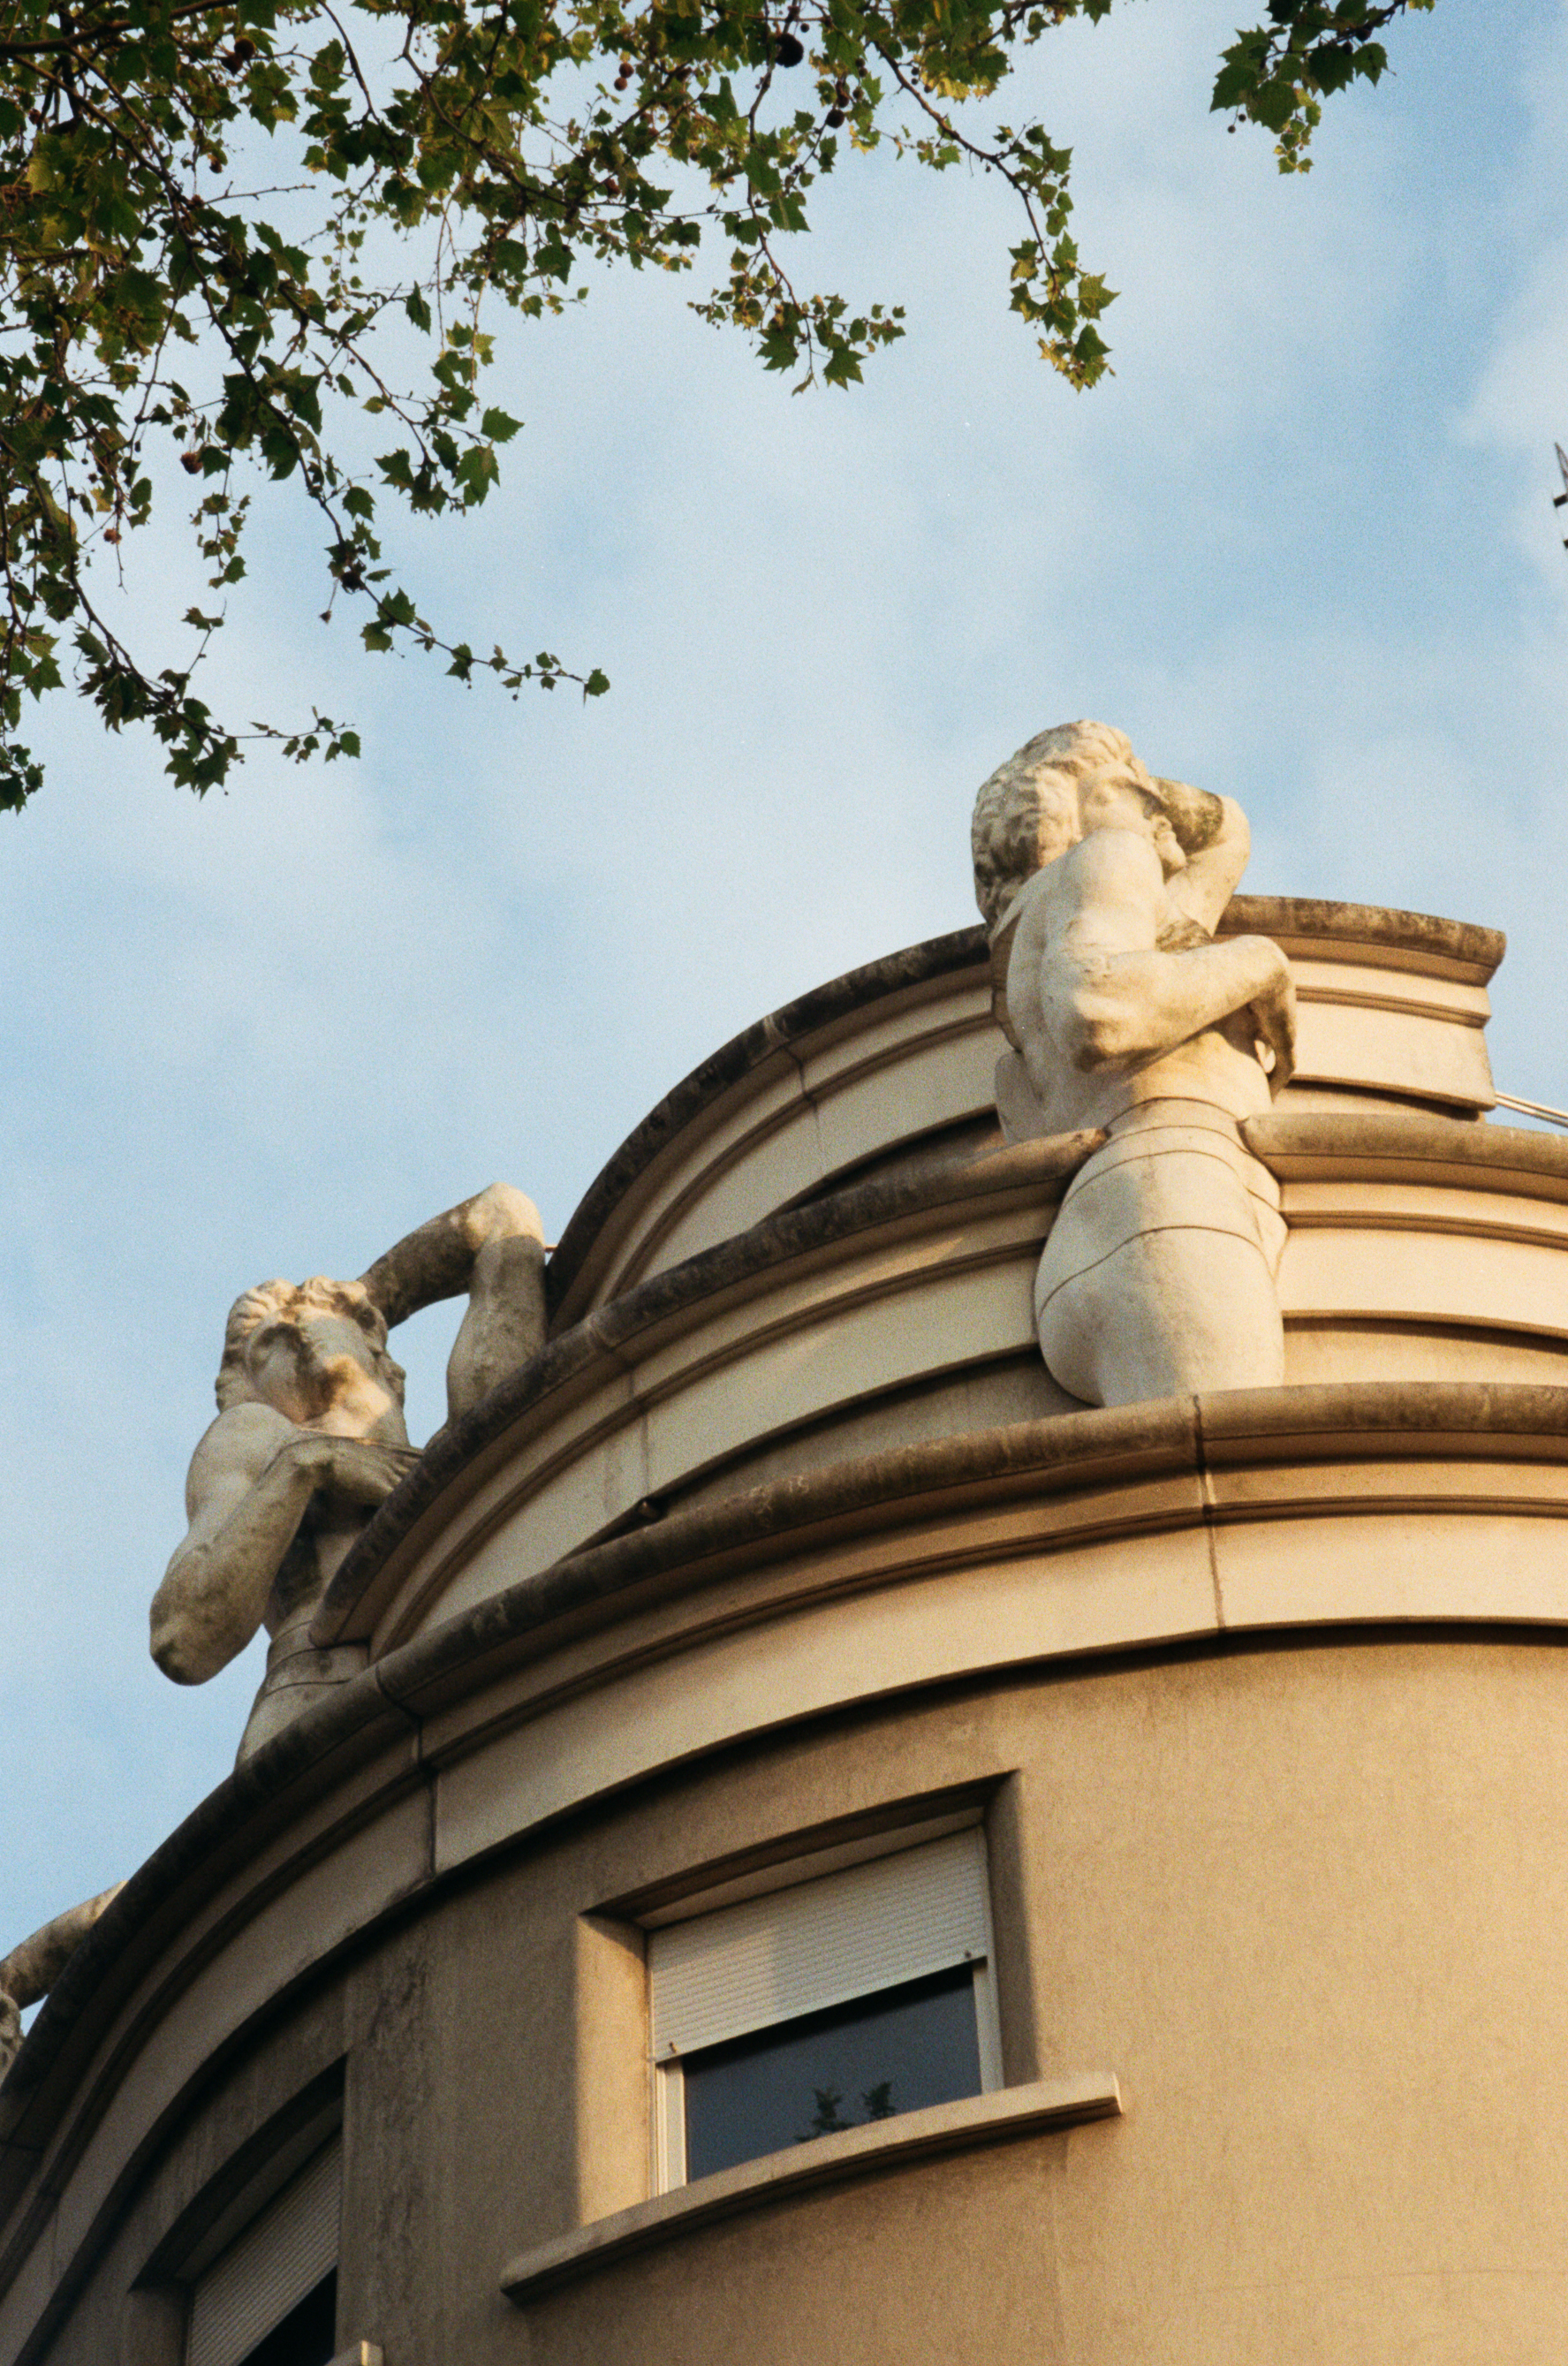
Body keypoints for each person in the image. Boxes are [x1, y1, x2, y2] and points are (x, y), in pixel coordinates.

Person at [149, 1182, 546, 1761]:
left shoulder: (463, 1440)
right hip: (319, 1697)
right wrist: (309, 1465)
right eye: (264, 1349)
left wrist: (361, 1297)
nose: (288, 1338)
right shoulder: (258, 1438)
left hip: (484, 1663)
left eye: (299, 1320)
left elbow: (501, 1215)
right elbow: (184, 1639)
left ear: (374, 1344)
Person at [972, 721, 1296, 1407]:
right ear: (1103, 800)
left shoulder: (1054, 919)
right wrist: (1259, 962)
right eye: (1139, 791)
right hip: (1172, 1201)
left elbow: (1223, 836)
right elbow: (1100, 1010)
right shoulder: (1110, 857)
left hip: (1111, 1224)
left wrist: (1132, 796)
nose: (1162, 816)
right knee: (1234, 1494)